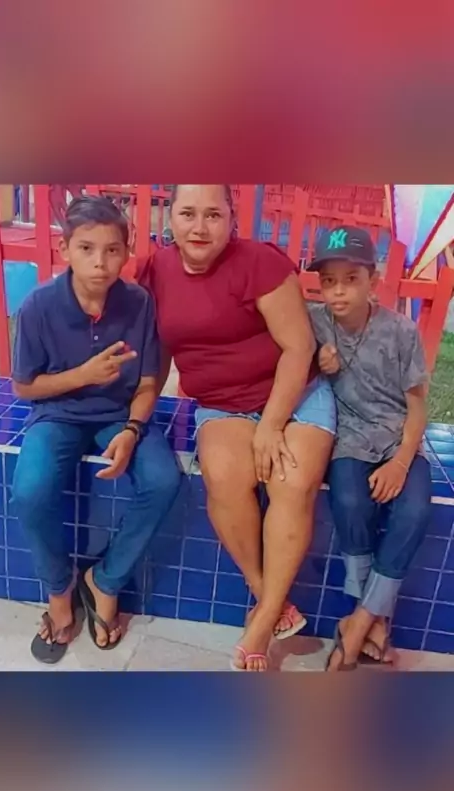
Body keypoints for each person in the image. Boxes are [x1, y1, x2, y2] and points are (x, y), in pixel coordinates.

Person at [137, 184, 337, 671]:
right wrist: (137, 411)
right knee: (224, 478)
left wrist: (272, 425)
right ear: (170, 218)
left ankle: (262, 623)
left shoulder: (260, 263)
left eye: (213, 214)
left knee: (292, 481)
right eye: (187, 213)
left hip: (294, 395)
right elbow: (159, 350)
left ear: (232, 219)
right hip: (221, 403)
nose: (199, 227)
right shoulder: (157, 269)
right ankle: (269, 598)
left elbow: (298, 347)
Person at [11, 195, 181, 664]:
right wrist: (83, 376)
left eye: (111, 250)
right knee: (30, 491)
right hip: (57, 415)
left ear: (126, 252)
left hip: (118, 415)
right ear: (65, 249)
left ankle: (104, 580)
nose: (100, 262)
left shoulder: (139, 304)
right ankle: (59, 590)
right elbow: (24, 386)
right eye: (86, 249)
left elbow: (148, 383)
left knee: (164, 480)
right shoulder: (38, 307)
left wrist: (132, 429)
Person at [307, 226, 432, 671]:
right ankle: (374, 623)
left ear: (373, 281)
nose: (338, 292)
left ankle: (357, 623)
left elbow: (417, 407)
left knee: (415, 511)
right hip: (349, 438)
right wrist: (314, 361)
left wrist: (400, 463)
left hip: (398, 437)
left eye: (351, 280)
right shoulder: (315, 322)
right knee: (348, 501)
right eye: (329, 281)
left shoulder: (401, 331)